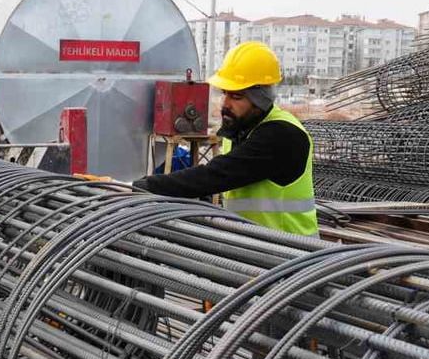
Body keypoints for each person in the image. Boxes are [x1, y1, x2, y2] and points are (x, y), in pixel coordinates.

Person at [129, 41, 318, 236]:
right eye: (225, 93)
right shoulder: (240, 129)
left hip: (291, 253)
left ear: (260, 99)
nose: (225, 104)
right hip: (255, 248)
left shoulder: (281, 135)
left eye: (236, 97)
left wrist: (139, 188)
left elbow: (216, 175)